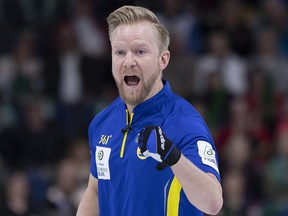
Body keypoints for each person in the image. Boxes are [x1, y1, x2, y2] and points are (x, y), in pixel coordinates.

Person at [77, 5, 223, 216]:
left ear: (163, 60)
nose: (128, 61)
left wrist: (171, 155)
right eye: (120, 52)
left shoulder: (184, 122)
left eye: (140, 52)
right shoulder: (102, 122)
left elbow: (212, 203)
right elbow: (96, 190)